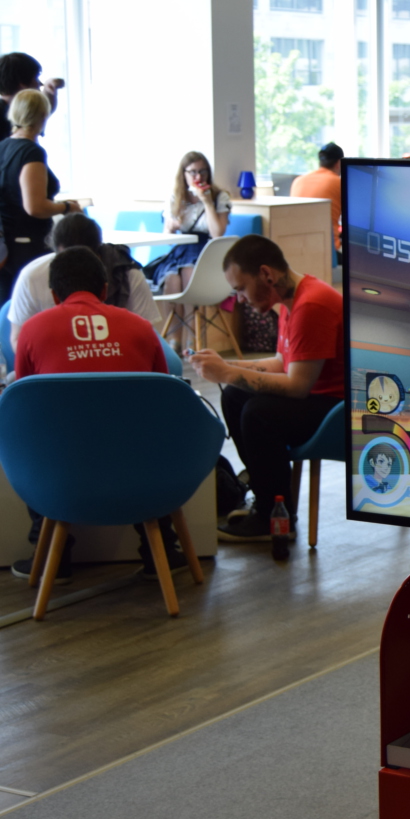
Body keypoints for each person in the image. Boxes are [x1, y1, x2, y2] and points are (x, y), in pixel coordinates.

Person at [10, 246, 185, 582]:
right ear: (104, 290)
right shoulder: (140, 328)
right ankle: (162, 550)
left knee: (33, 439)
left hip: (62, 473)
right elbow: (163, 398)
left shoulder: (31, 331)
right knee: (147, 438)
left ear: (54, 294)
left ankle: (52, 558)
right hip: (139, 472)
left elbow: (26, 403)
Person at [188, 235, 344, 542]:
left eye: (241, 289)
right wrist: (225, 365)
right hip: (320, 399)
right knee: (235, 396)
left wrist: (228, 372)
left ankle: (272, 517)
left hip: (339, 412)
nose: (240, 299)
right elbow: (282, 362)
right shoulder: (289, 299)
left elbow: (297, 386)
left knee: (258, 413)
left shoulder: (311, 304)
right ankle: (268, 500)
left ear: (266, 274)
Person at [9, 212, 160, 351]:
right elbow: (19, 339)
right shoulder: (32, 277)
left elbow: (146, 336)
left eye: (82, 260)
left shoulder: (127, 275)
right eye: (65, 261)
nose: (73, 268)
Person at [0, 89, 79, 302]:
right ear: (42, 115)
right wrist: (67, 207)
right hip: (28, 245)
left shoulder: (4, 146)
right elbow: (35, 206)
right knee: (34, 307)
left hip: (6, 247)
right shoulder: (30, 152)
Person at [146, 151, 232, 297]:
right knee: (171, 279)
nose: (198, 177)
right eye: (193, 172)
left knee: (189, 271)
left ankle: (190, 313)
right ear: (184, 174)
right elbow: (167, 238)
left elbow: (217, 234)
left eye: (203, 171)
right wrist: (171, 226)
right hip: (181, 250)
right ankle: (177, 314)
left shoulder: (219, 197)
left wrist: (207, 202)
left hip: (207, 250)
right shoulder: (175, 197)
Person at [290, 142, 343, 251]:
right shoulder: (339, 182)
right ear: (338, 163)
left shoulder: (298, 180)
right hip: (329, 249)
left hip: (298, 247)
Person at [0, 52, 63, 141]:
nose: (40, 84)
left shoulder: (18, 110)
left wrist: (49, 89)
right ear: (22, 83)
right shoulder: (9, 116)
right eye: (36, 78)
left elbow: (44, 109)